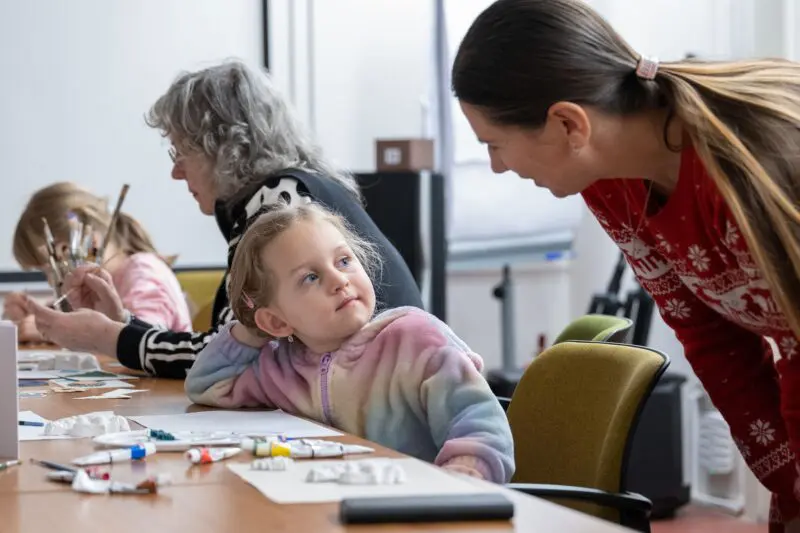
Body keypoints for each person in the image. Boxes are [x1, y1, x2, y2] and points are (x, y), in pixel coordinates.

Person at [451, 0, 800, 530]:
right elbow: (709, 336)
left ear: (568, 123)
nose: (496, 166)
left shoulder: (747, 170)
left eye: (494, 144)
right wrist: (785, 479)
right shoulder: (609, 185)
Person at [27, 60, 422, 379]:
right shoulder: (284, 191)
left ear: (223, 146)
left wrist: (112, 338)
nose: (176, 172)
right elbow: (230, 343)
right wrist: (123, 324)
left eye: (181, 152)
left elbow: (232, 356)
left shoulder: (279, 201)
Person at [185, 202, 514, 482]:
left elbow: (481, 425)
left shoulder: (417, 340)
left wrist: (463, 476)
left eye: (343, 261)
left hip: (418, 509)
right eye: (311, 277)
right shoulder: (279, 369)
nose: (339, 280)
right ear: (276, 322)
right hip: (329, 508)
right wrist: (253, 331)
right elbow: (207, 384)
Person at [5, 182, 191, 342]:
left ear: (90, 243)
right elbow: (79, 317)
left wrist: (56, 331)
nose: (49, 280)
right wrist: (35, 315)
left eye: (50, 269)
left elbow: (143, 340)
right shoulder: (102, 282)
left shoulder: (144, 273)